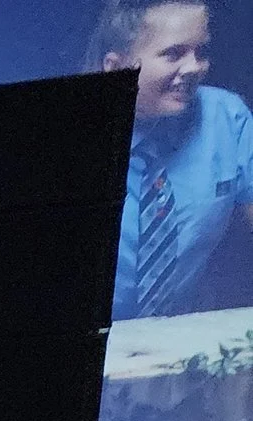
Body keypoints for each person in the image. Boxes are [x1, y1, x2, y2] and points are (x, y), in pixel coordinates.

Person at [96, 3, 253, 320]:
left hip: (174, 335)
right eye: (173, 53)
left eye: (201, 52)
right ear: (117, 67)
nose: (194, 67)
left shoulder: (226, 118)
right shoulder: (65, 134)